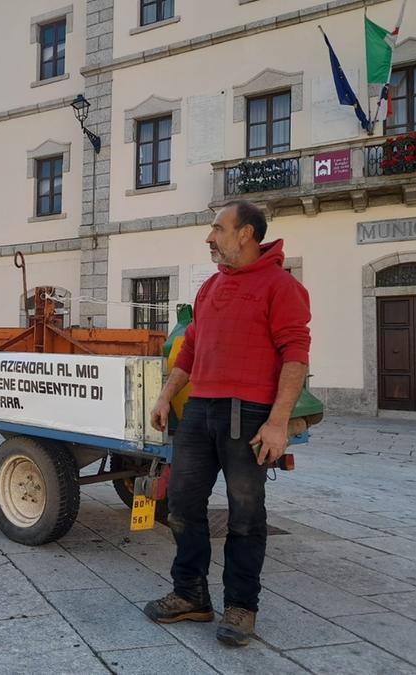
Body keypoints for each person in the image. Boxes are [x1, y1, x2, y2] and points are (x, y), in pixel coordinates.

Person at [144, 200, 311, 647]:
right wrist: (165, 395)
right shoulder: (210, 288)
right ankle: (191, 594)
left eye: (218, 228)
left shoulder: (281, 285)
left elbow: (295, 355)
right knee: (181, 505)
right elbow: (191, 351)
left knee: (246, 516)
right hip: (200, 409)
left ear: (246, 234)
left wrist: (277, 423)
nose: (209, 237)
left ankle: (241, 607)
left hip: (250, 413)